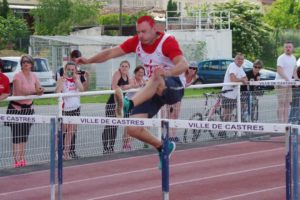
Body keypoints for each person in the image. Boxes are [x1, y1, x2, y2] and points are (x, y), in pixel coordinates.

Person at [76, 15, 189, 168]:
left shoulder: (167, 41)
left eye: (144, 32)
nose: (140, 35)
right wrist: (89, 60)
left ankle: (129, 104)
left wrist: (167, 73)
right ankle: (163, 147)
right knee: (133, 128)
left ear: (154, 29)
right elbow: (110, 53)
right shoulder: (136, 42)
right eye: (138, 32)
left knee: (155, 75)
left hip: (173, 86)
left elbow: (183, 65)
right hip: (153, 89)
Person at [7, 55, 44, 168]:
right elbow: (20, 91)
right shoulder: (17, 76)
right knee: (16, 135)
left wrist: (41, 90)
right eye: (23, 62)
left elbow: (40, 88)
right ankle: (16, 160)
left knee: (24, 135)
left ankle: (23, 158)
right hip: (16, 109)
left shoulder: (34, 75)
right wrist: (35, 91)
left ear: (32, 64)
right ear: (21, 64)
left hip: (28, 109)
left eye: (28, 62)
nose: (25, 63)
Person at [56, 50, 89, 159]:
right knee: (61, 132)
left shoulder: (77, 78)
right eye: (68, 69)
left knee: (71, 132)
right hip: (65, 109)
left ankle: (66, 153)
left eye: (72, 70)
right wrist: (63, 80)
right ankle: (56, 152)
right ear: (65, 70)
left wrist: (76, 80)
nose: (70, 71)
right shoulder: (61, 79)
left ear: (75, 70)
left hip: (76, 108)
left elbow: (82, 90)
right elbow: (57, 92)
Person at [161, 61, 198, 143]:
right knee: (169, 115)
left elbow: (186, 85)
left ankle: (173, 136)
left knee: (176, 115)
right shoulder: (182, 74)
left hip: (179, 95)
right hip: (171, 93)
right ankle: (167, 136)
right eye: (190, 67)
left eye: (194, 68)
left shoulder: (195, 78)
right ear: (187, 68)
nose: (192, 69)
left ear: (196, 70)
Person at [102, 60, 131, 154]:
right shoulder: (117, 73)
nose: (124, 68)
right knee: (109, 125)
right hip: (112, 104)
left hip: (120, 104)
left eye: (126, 66)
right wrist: (125, 87)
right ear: (120, 67)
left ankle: (111, 147)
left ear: (128, 68)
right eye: (122, 66)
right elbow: (114, 87)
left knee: (115, 126)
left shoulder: (127, 76)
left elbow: (131, 85)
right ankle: (105, 148)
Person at [123, 65, 146, 151]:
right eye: (139, 72)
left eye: (142, 73)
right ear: (135, 73)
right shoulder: (132, 79)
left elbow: (147, 85)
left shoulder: (143, 80)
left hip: (137, 105)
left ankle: (129, 143)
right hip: (128, 104)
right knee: (128, 125)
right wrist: (138, 85)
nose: (141, 74)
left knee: (134, 125)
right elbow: (131, 86)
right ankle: (125, 144)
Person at [221, 53, 248, 124]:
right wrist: (242, 80)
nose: (240, 60)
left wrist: (241, 79)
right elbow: (233, 80)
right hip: (228, 93)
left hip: (234, 94)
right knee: (226, 115)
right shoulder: (232, 65)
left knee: (230, 114)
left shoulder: (240, 67)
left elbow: (246, 78)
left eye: (242, 59)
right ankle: (222, 131)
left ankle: (228, 128)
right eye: (238, 59)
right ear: (235, 60)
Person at [275, 42, 298, 123]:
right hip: (281, 83)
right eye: (286, 47)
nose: (288, 48)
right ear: (284, 48)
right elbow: (279, 70)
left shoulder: (294, 58)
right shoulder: (281, 58)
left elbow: (294, 71)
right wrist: (287, 79)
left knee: (287, 103)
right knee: (281, 103)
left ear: (292, 48)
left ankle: (285, 123)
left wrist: (296, 79)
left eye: (289, 47)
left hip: (289, 84)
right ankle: (280, 123)